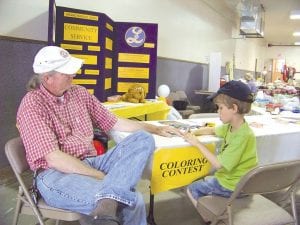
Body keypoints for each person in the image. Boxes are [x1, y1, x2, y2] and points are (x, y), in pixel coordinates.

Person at [16, 46, 182, 225]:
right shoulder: (33, 104)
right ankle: (109, 201)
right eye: (67, 73)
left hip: (89, 161)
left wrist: (154, 128)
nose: (73, 75)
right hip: (55, 174)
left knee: (143, 139)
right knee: (133, 202)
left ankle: (108, 201)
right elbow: (54, 159)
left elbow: (113, 122)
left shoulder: (78, 92)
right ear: (47, 78)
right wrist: (99, 176)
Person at [182, 80, 257, 212]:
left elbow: (218, 164)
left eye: (221, 108)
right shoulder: (233, 127)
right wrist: (194, 132)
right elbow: (213, 130)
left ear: (234, 108)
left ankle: (210, 218)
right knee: (207, 180)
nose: (218, 112)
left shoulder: (242, 136)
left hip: (233, 186)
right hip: (243, 183)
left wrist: (197, 143)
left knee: (191, 188)